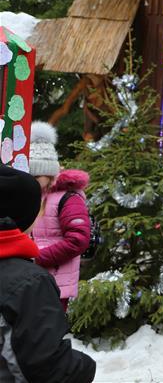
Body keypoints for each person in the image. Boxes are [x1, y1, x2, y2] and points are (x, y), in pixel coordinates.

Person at [0, 164, 97, 382]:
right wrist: (86, 368)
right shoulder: (29, 283)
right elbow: (48, 369)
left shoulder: (68, 198)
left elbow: (78, 237)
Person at [28, 121, 91, 311]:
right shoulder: (31, 196)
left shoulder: (67, 199)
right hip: (29, 279)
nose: (31, 181)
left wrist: (36, 258)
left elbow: (78, 239)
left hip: (55, 284)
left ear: (49, 173)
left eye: (36, 176)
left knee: (46, 334)